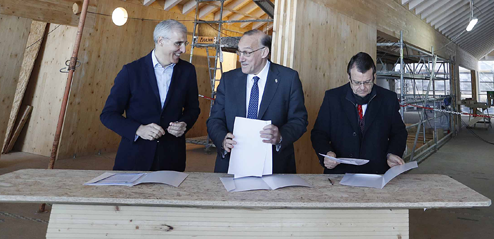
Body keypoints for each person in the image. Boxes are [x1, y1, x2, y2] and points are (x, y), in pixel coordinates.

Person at [100, 19, 200, 172]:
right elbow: (108, 115)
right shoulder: (131, 71)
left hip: (172, 159)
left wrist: (184, 124)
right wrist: (138, 130)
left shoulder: (188, 71)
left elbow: (193, 109)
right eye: (178, 43)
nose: (183, 49)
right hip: (134, 157)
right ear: (160, 41)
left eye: (184, 43)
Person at [207, 29, 308, 174]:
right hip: (232, 163)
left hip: (274, 165)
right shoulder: (228, 80)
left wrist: (281, 136)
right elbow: (214, 119)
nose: (241, 58)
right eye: (239, 52)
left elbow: (299, 120)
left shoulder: (288, 79)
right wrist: (222, 139)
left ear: (264, 52)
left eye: (246, 53)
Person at [311, 52, 408, 175]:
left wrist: (392, 153)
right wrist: (327, 153)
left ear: (374, 76)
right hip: (340, 173)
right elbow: (318, 133)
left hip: (377, 173)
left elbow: (399, 133)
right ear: (349, 77)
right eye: (357, 82)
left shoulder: (388, 99)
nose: (362, 87)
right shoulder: (332, 98)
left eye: (367, 82)